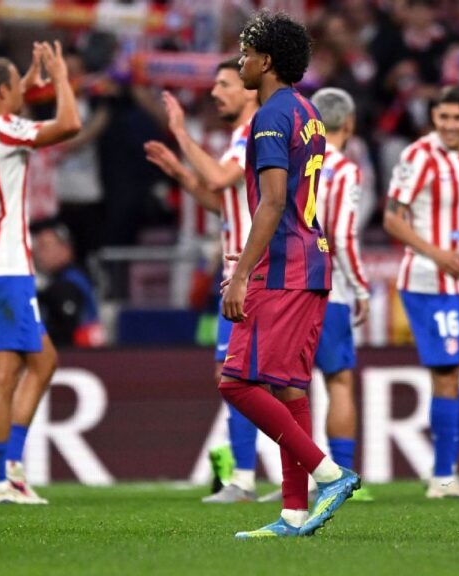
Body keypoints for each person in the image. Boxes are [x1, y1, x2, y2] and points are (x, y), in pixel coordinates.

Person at [218, 11, 359, 539]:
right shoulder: (308, 111)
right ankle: (294, 514)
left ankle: (330, 474)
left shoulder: (272, 116)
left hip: (284, 268)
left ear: (268, 60)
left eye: (247, 52)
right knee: (290, 389)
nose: (241, 60)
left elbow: (274, 200)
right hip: (310, 262)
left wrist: (243, 273)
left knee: (237, 382)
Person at [0, 42, 81, 504]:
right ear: (1, 93)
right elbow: (69, 124)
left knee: (41, 362)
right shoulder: (5, 130)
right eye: (16, 85)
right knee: (2, 378)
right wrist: (60, 77)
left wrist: (26, 77)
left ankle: (7, 467)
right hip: (6, 266)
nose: (23, 91)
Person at [144, 58, 262, 504]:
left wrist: (180, 131)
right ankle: (254, 476)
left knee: (245, 376)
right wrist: (180, 174)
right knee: (241, 375)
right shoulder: (242, 135)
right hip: (239, 273)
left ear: (250, 89)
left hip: (254, 274)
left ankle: (249, 479)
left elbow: (217, 176)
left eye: (225, 84)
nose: (215, 93)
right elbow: (222, 202)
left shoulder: (253, 132)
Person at [383, 85, 459, 499]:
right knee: (447, 375)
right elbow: (392, 219)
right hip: (428, 283)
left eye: (458, 118)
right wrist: (437, 255)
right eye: (443, 117)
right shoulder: (418, 156)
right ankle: (443, 478)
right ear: (434, 118)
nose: (449, 125)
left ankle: (443, 460)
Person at [309, 87, 374, 502]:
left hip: (286, 285)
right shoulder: (345, 170)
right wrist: (361, 287)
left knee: (289, 388)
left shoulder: (295, 163)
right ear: (349, 124)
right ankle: (343, 478)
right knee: (339, 381)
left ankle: (296, 478)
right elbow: (344, 235)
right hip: (329, 289)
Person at [31, 220, 103, 347]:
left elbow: (66, 331)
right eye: (37, 248)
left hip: (77, 353)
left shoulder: (69, 283)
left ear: (65, 249)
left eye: (44, 247)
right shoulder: (56, 279)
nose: (38, 254)